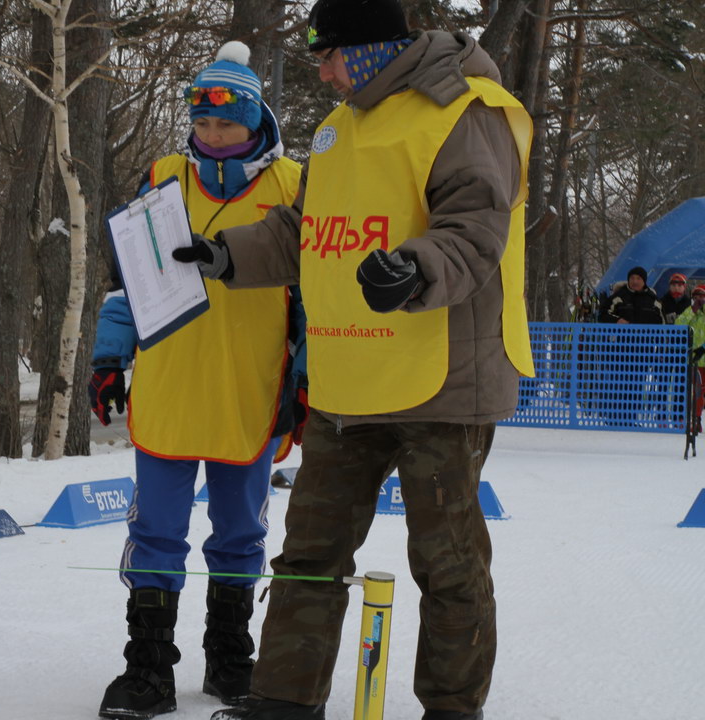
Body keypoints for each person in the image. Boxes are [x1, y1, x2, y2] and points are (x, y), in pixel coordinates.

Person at [174, 1, 533, 718]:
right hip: (348, 381)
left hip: (442, 381)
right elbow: (302, 230)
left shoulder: (466, 108)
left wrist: (414, 268)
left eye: (331, 53)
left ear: (371, 48)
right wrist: (225, 255)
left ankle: (453, 709)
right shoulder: (339, 126)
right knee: (309, 553)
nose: (323, 68)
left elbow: (476, 226)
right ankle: (283, 699)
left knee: (448, 562)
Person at [88, 41, 308, 720]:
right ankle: (148, 667)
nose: (213, 136)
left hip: (250, 386)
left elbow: (312, 298)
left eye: (227, 123)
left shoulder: (293, 184)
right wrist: (107, 358)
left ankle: (231, 658)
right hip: (171, 381)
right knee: (156, 531)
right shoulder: (163, 175)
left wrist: (305, 384)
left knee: (239, 532)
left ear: (256, 121)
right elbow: (130, 277)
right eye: (203, 122)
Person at [676, 285, 705, 435]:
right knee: (697, 392)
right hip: (695, 361)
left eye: (702, 296)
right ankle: (695, 419)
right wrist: (692, 310)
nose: (699, 300)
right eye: (696, 296)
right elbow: (678, 325)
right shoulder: (691, 313)